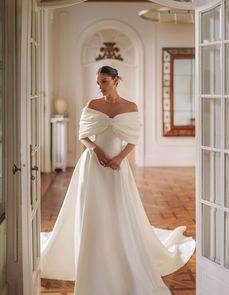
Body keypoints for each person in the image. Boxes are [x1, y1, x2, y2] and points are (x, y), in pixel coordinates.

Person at [40, 66, 195, 295]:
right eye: (98, 82)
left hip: (117, 167)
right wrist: (98, 152)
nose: (100, 87)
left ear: (115, 81)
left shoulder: (130, 107)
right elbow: (83, 137)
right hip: (93, 166)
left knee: (117, 210)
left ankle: (119, 257)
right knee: (93, 211)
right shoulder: (92, 105)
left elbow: (133, 140)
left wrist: (119, 159)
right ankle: (92, 262)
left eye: (104, 81)